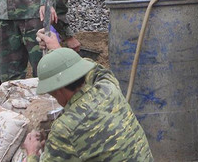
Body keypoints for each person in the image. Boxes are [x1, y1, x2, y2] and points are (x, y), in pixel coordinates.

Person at [22, 37, 152, 162]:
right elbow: (95, 69)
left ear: (57, 90)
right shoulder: (108, 86)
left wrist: (32, 152)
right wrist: (59, 51)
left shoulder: (65, 128)